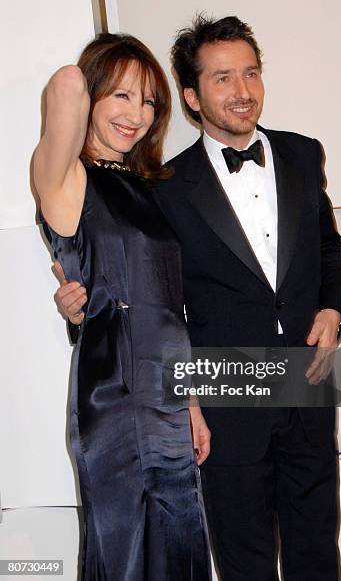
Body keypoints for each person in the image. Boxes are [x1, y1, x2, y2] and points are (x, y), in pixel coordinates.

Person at [56, 16, 341, 581]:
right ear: (191, 96)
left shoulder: (303, 155)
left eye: (251, 73)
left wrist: (333, 308)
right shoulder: (164, 186)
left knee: (318, 554)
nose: (242, 91)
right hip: (226, 395)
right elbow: (142, 285)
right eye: (222, 78)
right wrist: (79, 300)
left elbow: (330, 250)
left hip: (308, 387)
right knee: (244, 563)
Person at [34, 32, 211, 581]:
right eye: (120, 96)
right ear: (91, 96)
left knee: (180, 548)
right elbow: (65, 83)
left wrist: (192, 403)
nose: (137, 114)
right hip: (112, 396)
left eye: (148, 101)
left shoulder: (148, 189)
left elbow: (166, 307)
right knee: (126, 554)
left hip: (167, 395)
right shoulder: (65, 181)